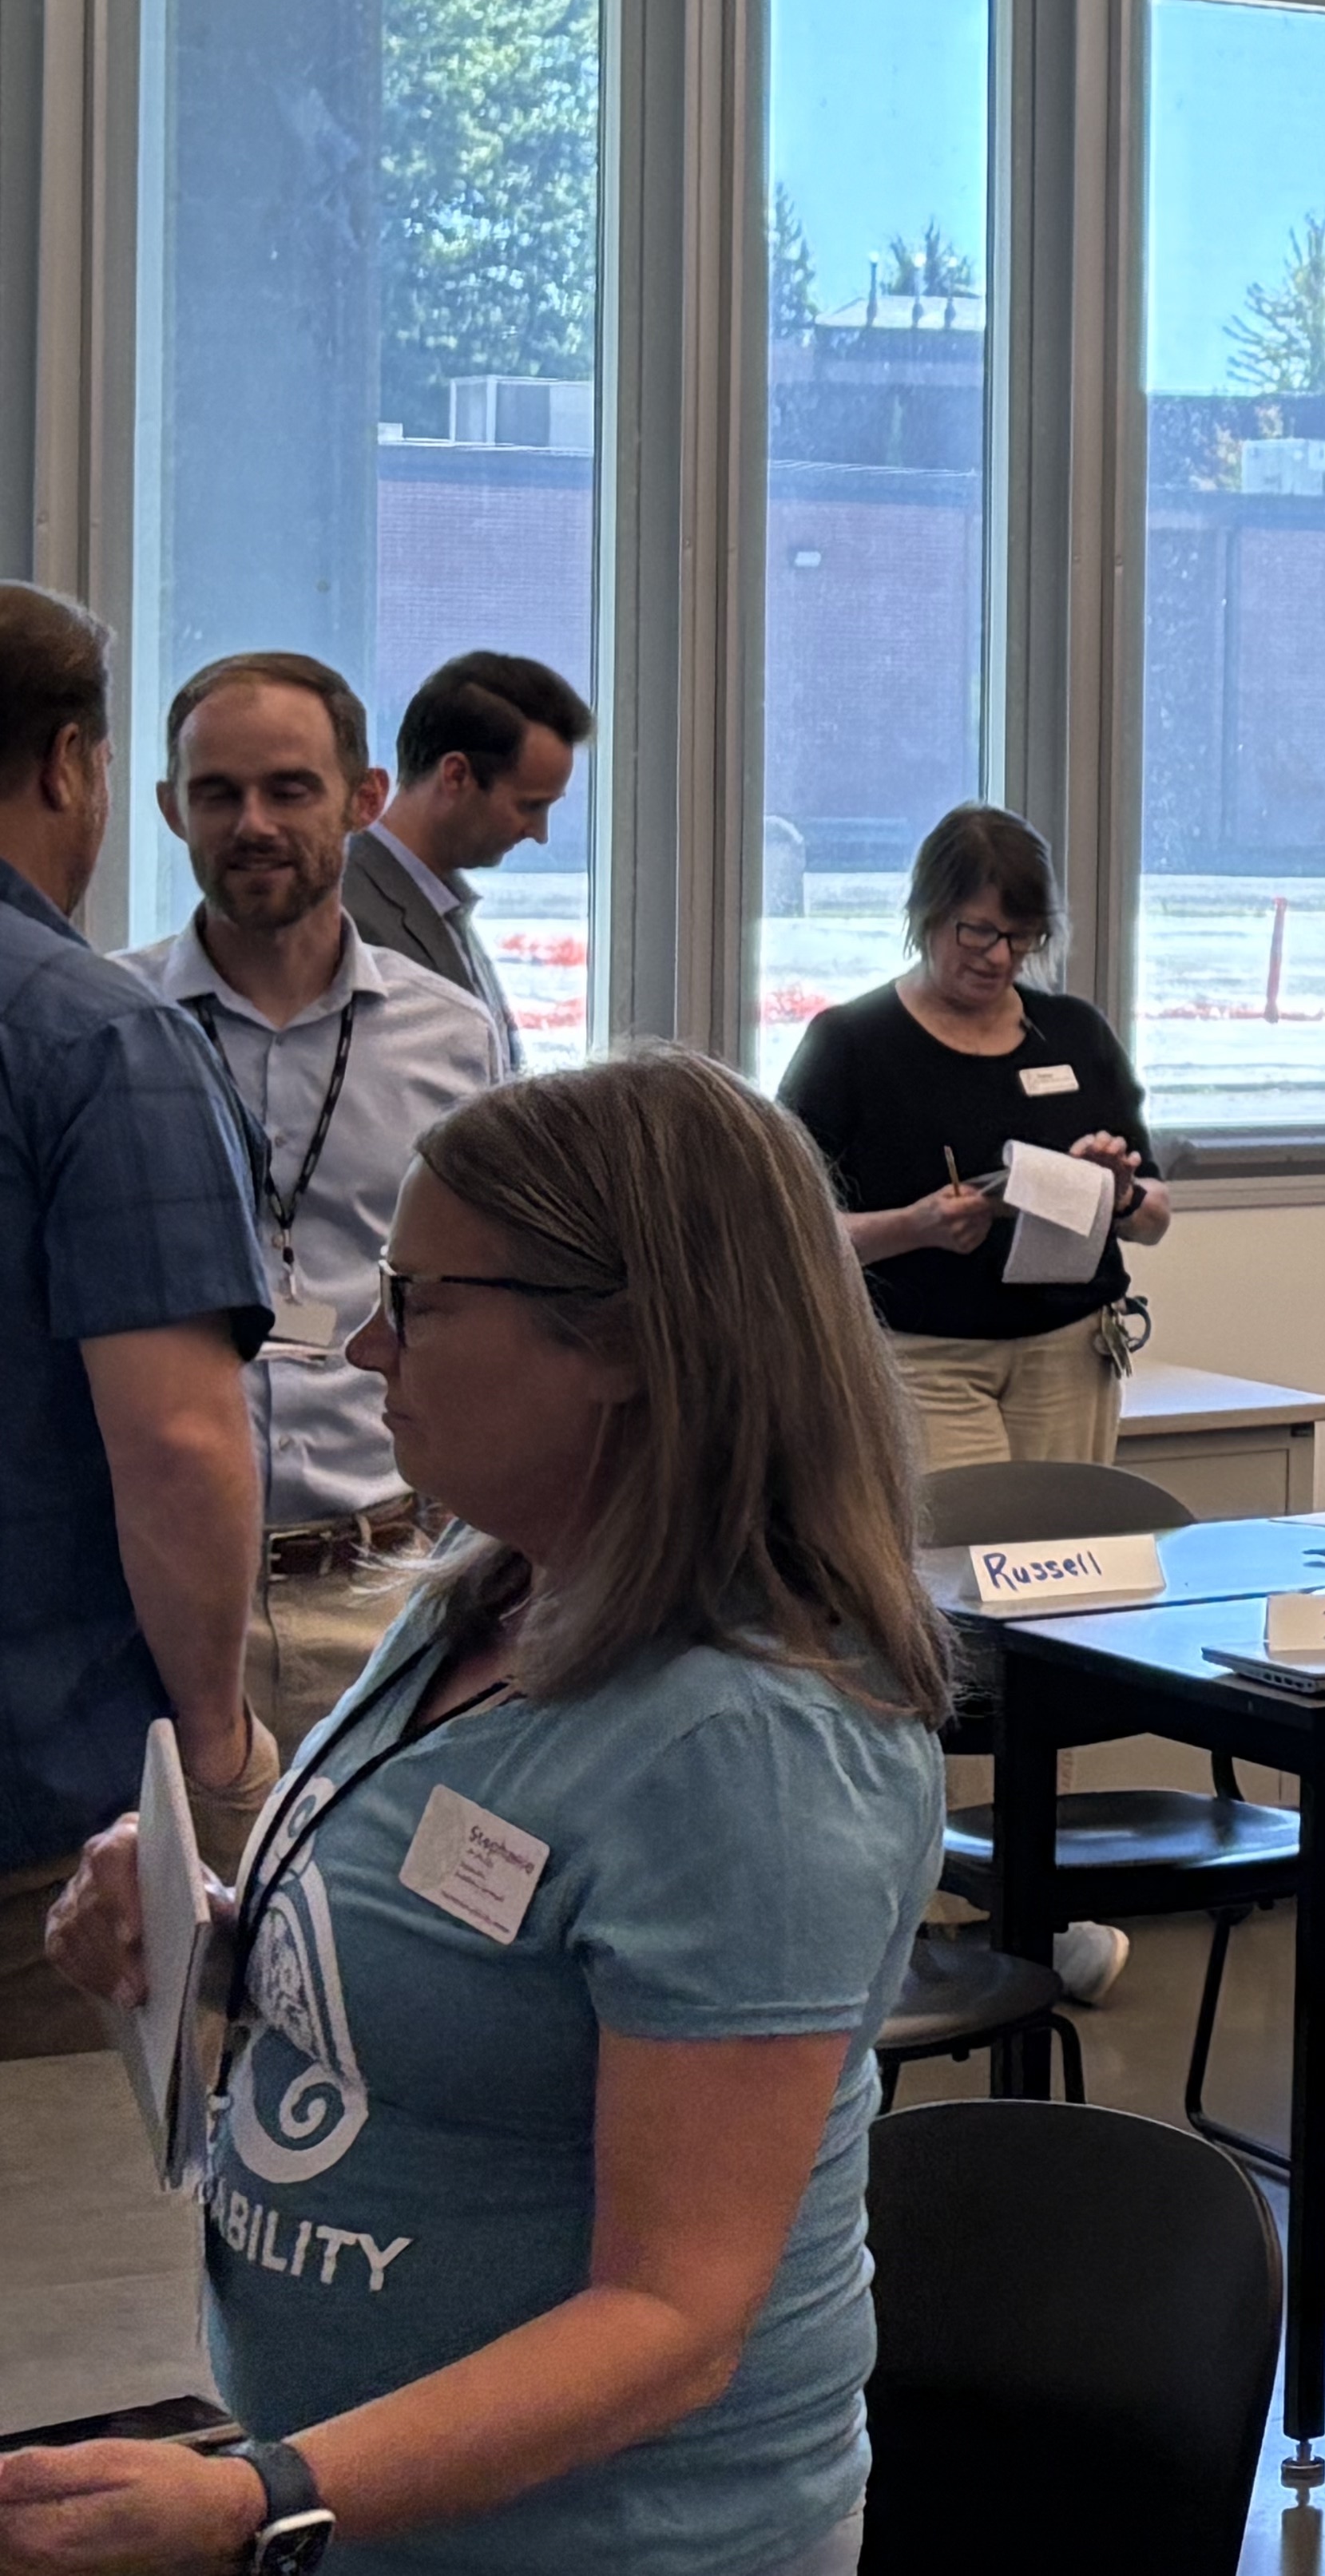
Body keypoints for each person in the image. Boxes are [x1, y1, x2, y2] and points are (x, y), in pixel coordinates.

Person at [13, 1046, 948, 2576]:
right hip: (375, 2509)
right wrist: (216, 1937)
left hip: (609, 2540)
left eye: (422, 1298)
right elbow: (480, 1983)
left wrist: (260, 2497)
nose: (370, 1344)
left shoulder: (752, 1740)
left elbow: (669, 2319)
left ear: (631, 1339)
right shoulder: (493, 1588)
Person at [128, 654, 501, 1755]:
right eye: (217, 794)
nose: (252, 822)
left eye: (290, 788)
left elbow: (486, 1311)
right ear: (169, 810)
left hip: (390, 1593)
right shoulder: (111, 1033)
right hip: (166, 1607)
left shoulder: (454, 1039)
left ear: (364, 800)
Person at [0, 584, 271, 2062]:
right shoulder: (96, 1037)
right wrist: (221, 1751)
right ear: (73, 767)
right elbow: (175, 1437)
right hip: (41, 1819)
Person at [776, 806, 1166, 1476]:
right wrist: (913, 1226)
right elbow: (782, 1230)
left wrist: (1121, 1196)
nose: (1000, 958)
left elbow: (1155, 1217)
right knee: (962, 1559)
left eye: (1022, 938)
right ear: (927, 912)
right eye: (978, 932)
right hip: (923, 1356)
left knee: (1070, 1559)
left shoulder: (1075, 1033)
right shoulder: (851, 1045)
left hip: (1071, 1350)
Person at [345, 652, 589, 1073]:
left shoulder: (438, 904)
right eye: (529, 806)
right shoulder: (348, 917)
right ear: (455, 774)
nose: (539, 832)